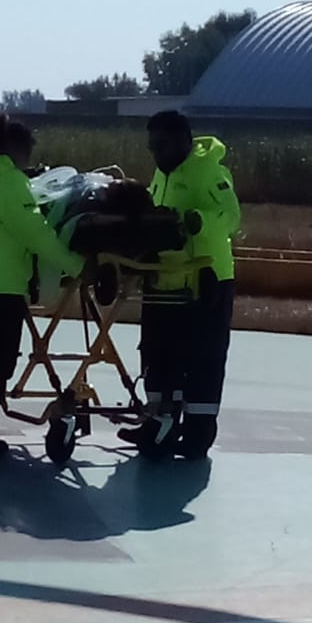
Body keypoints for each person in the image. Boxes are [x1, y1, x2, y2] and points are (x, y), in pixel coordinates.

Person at [0, 115, 83, 463]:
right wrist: (79, 267)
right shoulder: (8, 181)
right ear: (15, 148)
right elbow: (34, 232)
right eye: (28, 150)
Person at [122, 110, 242, 460]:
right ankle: (159, 423)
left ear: (183, 141)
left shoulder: (209, 171)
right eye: (152, 147)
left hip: (205, 279)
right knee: (158, 354)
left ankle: (197, 434)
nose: (156, 153)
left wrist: (197, 221)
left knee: (203, 358)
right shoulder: (161, 175)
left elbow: (231, 216)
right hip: (164, 279)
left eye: (161, 145)